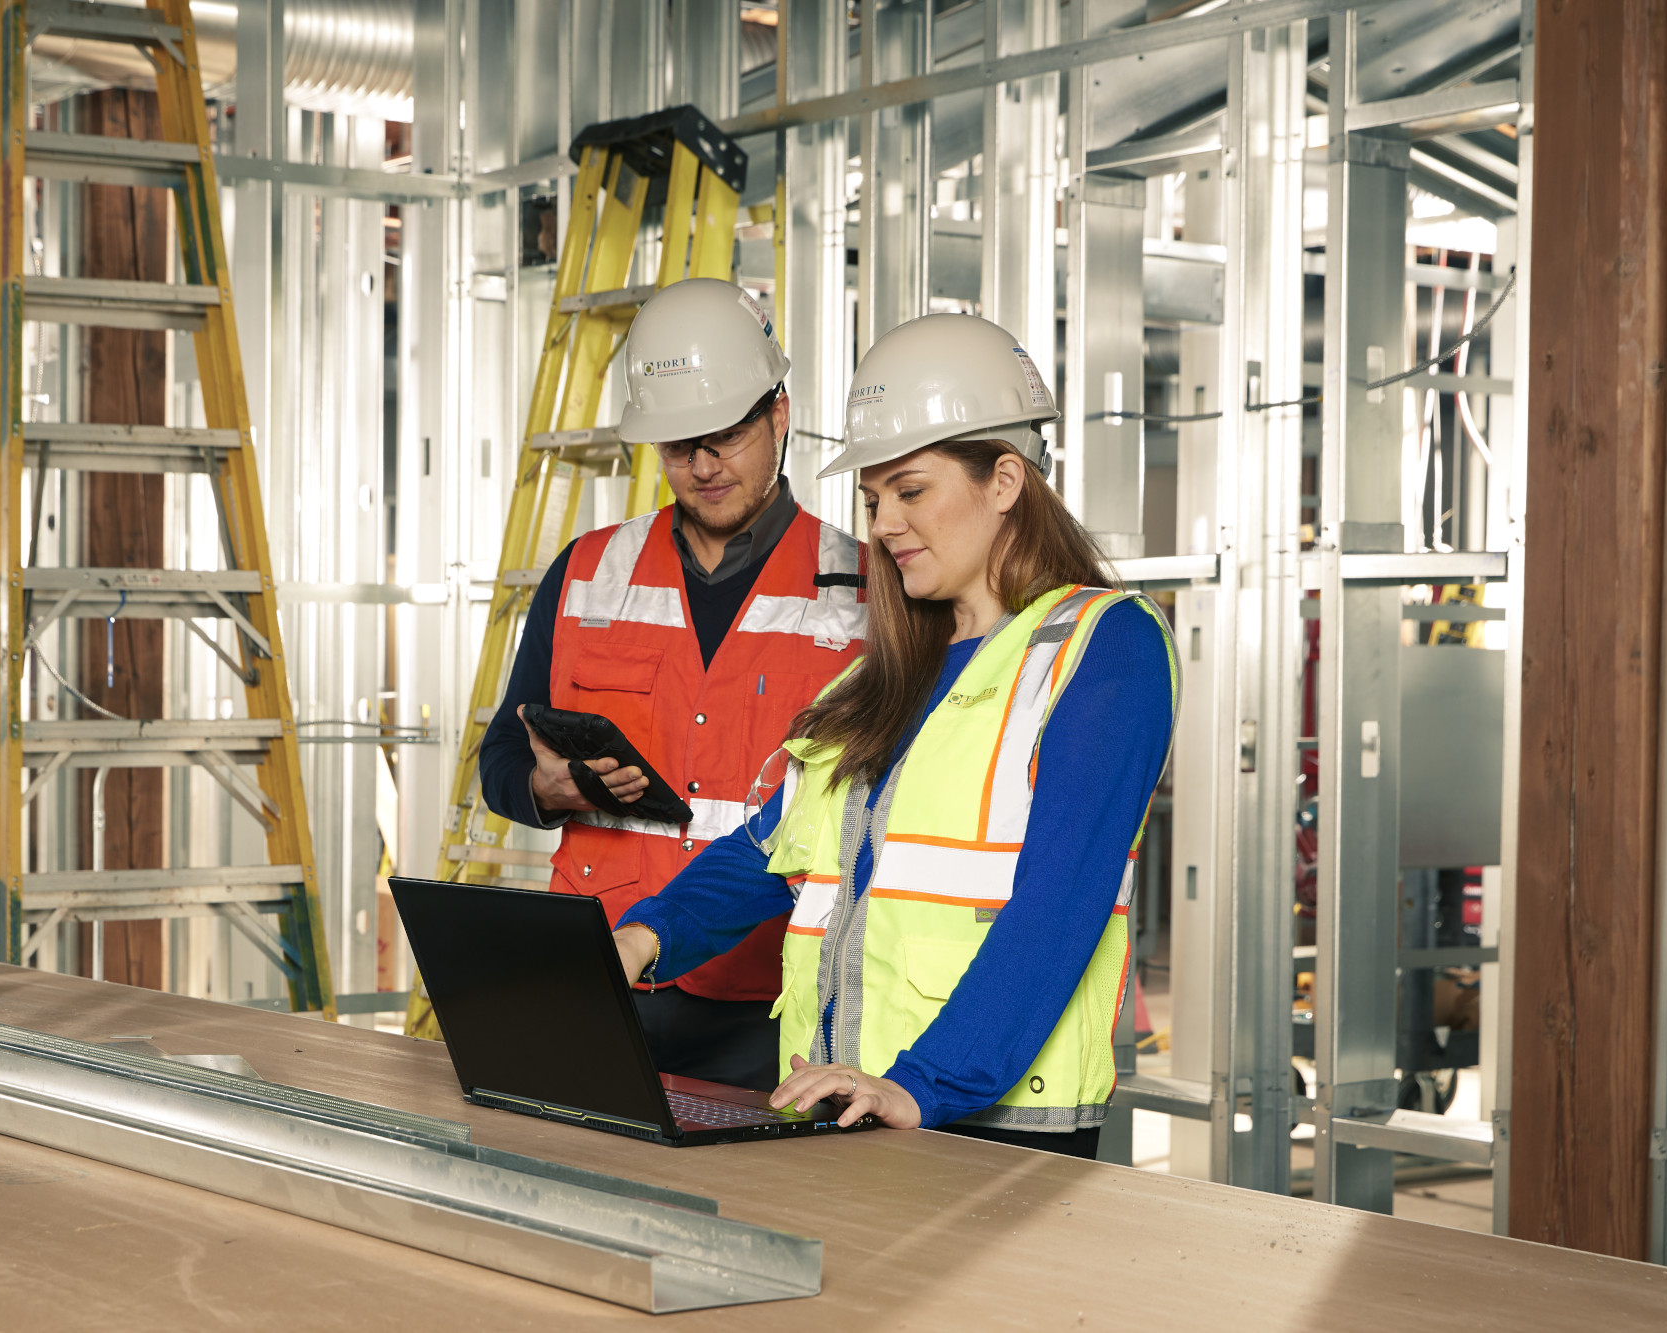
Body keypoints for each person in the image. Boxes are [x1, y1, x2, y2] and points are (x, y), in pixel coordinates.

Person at [609, 313, 1178, 1158]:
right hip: (841, 1100)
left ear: (1005, 480)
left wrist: (925, 1083)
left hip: (990, 1125)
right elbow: (774, 847)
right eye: (874, 499)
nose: (883, 524)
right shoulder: (880, 675)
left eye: (911, 491)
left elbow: (1061, 905)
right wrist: (642, 935)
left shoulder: (1105, 648)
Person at [478, 277, 867, 1092]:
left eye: (723, 434)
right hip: (605, 974)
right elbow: (501, 759)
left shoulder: (865, 593)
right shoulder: (587, 574)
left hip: (773, 1000)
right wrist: (546, 787)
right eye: (678, 443)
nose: (701, 465)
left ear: (779, 415)